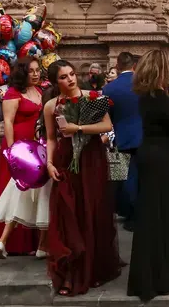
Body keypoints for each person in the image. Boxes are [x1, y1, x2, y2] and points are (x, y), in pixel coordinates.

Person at [44, 60, 121, 296]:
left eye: (72, 74)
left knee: (93, 210)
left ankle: (95, 269)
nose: (70, 79)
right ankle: (70, 272)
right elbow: (51, 137)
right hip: (66, 160)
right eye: (63, 77)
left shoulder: (92, 96)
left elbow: (107, 124)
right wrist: (48, 163)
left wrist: (78, 128)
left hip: (91, 158)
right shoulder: (50, 105)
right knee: (69, 212)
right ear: (56, 82)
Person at [127, 49, 169, 301]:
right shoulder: (162, 99)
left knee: (148, 216)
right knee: (164, 216)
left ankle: (144, 279)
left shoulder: (145, 97)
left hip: (148, 155)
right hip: (163, 159)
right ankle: (160, 279)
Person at [0, 58, 51, 259]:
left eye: (37, 70)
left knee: (35, 193)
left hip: (36, 147)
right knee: (14, 191)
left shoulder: (40, 92)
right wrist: (12, 149)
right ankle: (13, 243)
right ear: (22, 73)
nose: (35, 74)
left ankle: (34, 241)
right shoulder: (13, 93)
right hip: (17, 148)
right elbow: (8, 121)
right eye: (31, 71)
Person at [102, 52, 142, 231]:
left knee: (121, 176)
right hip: (143, 137)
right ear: (134, 66)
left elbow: (105, 118)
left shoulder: (109, 89)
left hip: (120, 137)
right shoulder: (143, 84)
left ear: (117, 66)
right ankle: (138, 213)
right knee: (139, 176)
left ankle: (126, 210)